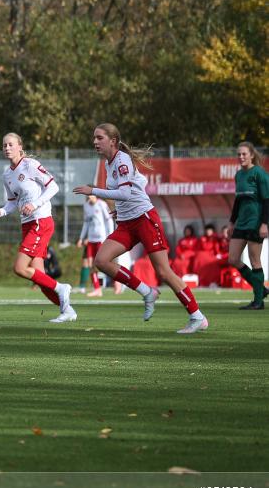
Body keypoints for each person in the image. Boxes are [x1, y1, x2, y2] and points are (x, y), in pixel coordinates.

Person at [73, 123, 208, 333]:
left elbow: (125, 193)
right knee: (101, 261)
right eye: (94, 138)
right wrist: (118, 210)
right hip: (127, 223)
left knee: (164, 271)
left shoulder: (122, 160)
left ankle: (197, 316)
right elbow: (127, 191)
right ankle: (147, 291)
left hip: (144, 219)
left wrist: (94, 191)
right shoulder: (109, 163)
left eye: (99, 138)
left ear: (113, 141)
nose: (95, 142)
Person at [0, 133, 75, 323]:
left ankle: (62, 288)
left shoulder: (30, 165)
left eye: (11, 144)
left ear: (20, 146)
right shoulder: (7, 174)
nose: (7, 148)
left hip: (40, 221)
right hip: (27, 225)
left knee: (20, 268)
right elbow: (13, 202)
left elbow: (53, 187)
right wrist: (1, 212)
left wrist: (35, 204)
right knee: (39, 276)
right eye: (4, 145)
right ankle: (67, 310)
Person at [227, 142, 269, 309]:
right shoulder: (238, 175)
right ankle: (261, 289)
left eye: (244, 154)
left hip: (256, 222)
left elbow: (267, 200)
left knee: (254, 260)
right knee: (233, 259)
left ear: (251, 155)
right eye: (238, 154)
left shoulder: (259, 173)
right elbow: (238, 201)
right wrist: (232, 222)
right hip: (241, 223)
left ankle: (258, 302)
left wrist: (264, 224)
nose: (241, 157)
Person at [76, 194, 114, 297]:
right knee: (90, 264)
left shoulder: (102, 204)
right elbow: (86, 223)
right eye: (88, 196)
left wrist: (110, 236)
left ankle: (117, 282)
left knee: (103, 264)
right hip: (91, 239)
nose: (89, 198)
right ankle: (97, 289)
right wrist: (81, 238)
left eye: (91, 195)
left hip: (101, 239)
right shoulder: (86, 206)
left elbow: (109, 220)